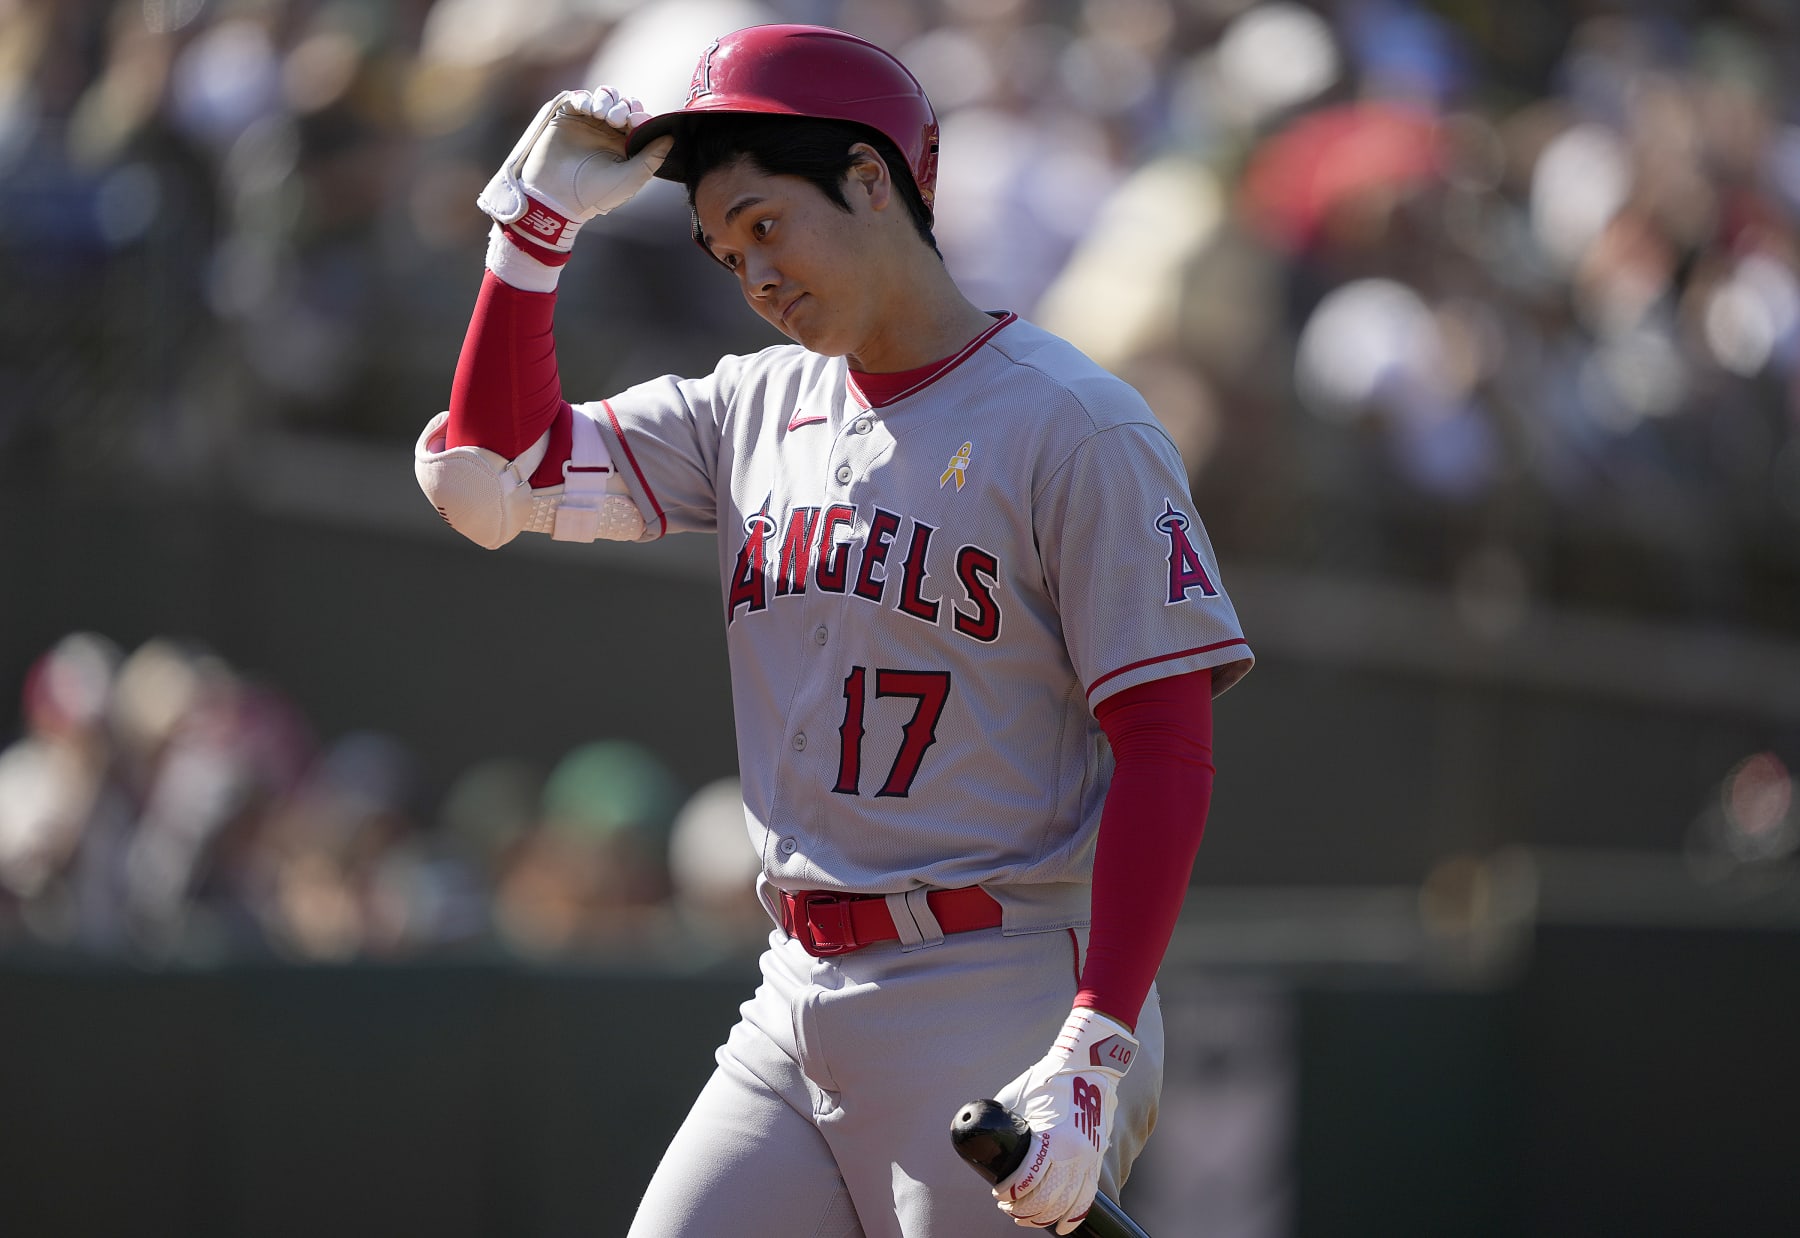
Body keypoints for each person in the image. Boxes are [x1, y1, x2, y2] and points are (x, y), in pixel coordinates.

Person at [415, 24, 1252, 1238]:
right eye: (723, 249)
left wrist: (1095, 1041)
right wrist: (534, 231)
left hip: (1001, 985)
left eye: (765, 224)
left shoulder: (1077, 425)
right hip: (795, 985)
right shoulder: (751, 404)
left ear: (871, 178)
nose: (752, 274)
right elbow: (496, 471)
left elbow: (1167, 748)